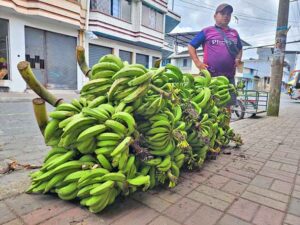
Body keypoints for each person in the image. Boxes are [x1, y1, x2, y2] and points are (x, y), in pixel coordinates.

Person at [188, 3, 243, 107]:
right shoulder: (207, 31)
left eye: (228, 14)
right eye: (222, 13)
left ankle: (226, 124)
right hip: (210, 76)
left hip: (229, 77)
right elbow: (191, 46)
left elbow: (240, 48)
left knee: (228, 106)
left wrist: (238, 58)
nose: (226, 16)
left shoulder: (234, 33)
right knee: (210, 105)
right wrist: (198, 63)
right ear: (215, 16)